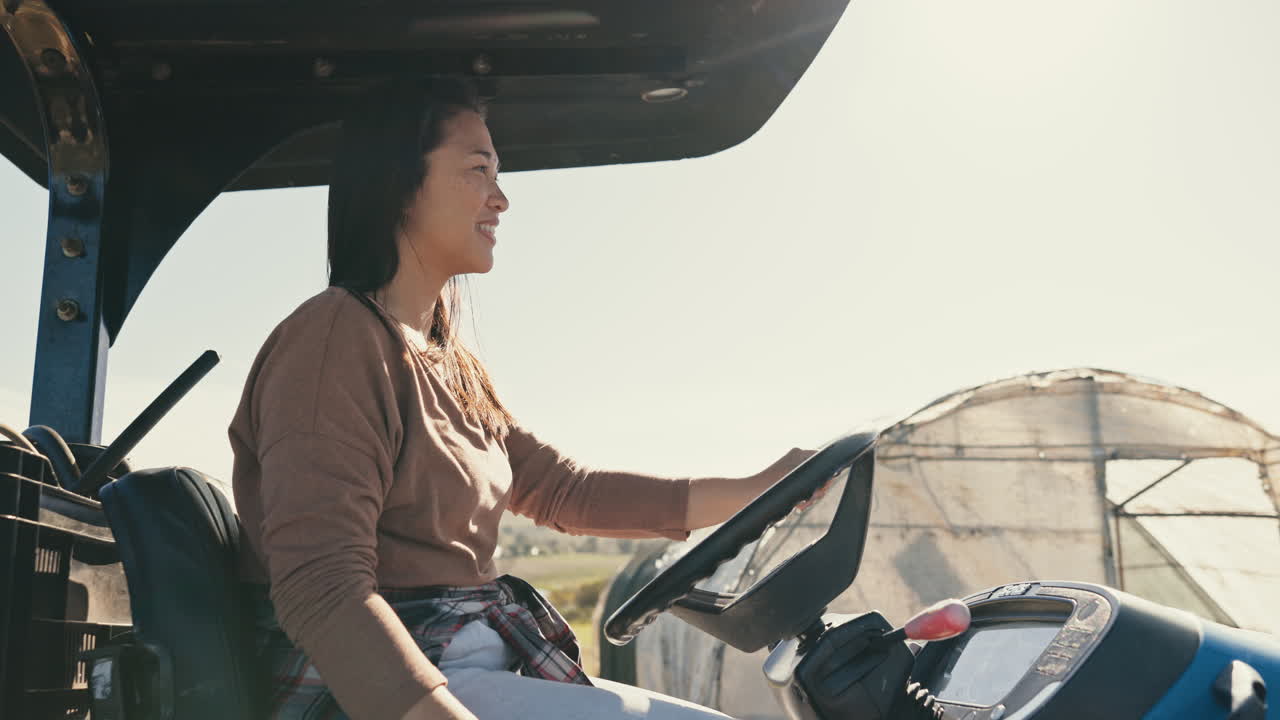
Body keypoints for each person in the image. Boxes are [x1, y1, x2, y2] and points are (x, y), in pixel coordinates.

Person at [228, 77, 812, 720]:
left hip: (469, 662)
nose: (501, 199)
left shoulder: (448, 361)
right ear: (399, 183)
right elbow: (321, 586)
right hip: (382, 687)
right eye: (479, 171)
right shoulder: (335, 340)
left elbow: (567, 491)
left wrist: (762, 488)